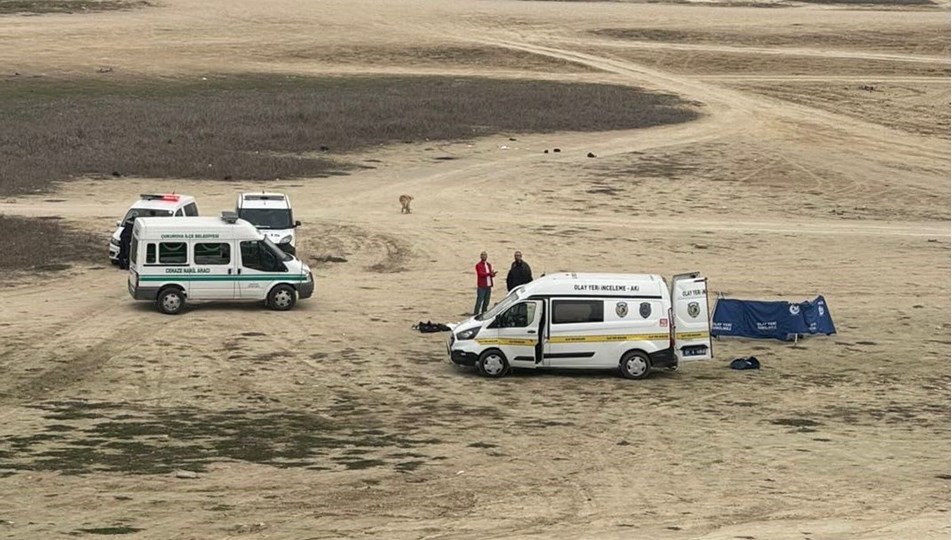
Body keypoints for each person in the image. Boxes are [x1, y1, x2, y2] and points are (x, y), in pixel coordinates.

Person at [473, 251, 497, 315]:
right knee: (479, 301)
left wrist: (492, 274)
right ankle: (475, 314)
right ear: (480, 257)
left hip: (488, 285)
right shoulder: (478, 265)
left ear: (487, 256)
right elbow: (481, 274)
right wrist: (489, 273)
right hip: (482, 286)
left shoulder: (489, 265)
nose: (484, 256)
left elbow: (489, 275)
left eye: (485, 255)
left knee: (486, 301)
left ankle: (484, 313)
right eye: (483, 255)